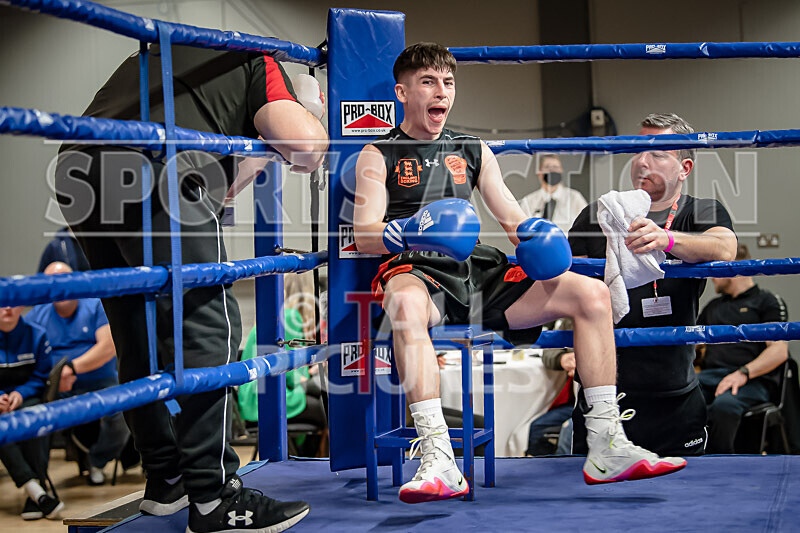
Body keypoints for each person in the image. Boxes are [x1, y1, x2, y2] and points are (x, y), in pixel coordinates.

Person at [353, 43, 686, 505]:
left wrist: (536, 236)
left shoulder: (472, 149)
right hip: (416, 269)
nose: (441, 92)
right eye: (428, 82)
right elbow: (364, 234)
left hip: (474, 270)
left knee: (591, 295)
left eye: (448, 83)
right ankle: (438, 457)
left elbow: (512, 219)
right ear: (402, 92)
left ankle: (607, 444)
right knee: (405, 302)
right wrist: (411, 231)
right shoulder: (377, 154)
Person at [54, 44, 327, 533]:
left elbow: (220, 190)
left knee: (136, 328)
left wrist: (258, 151)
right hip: (155, 162)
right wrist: (310, 119)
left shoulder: (170, 60)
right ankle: (214, 497)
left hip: (79, 167)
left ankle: (168, 478)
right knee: (210, 322)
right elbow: (305, 145)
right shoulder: (257, 60)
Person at [568, 112, 738, 457]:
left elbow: (725, 247)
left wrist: (667, 239)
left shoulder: (700, 211)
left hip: (675, 395)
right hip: (606, 396)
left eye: (658, 153)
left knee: (687, 490)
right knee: (593, 491)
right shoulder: (601, 214)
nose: (642, 161)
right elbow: (564, 283)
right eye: (638, 150)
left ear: (684, 168)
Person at [28, 261, 130, 486]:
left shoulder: (95, 305)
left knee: (123, 413)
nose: (59, 286)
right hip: (56, 385)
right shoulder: (37, 315)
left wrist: (71, 368)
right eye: (51, 281)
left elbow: (108, 347)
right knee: (33, 413)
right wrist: (54, 377)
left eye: (64, 279)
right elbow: (30, 357)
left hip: (100, 381)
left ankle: (97, 461)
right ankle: (37, 481)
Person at [697, 244, 789, 453]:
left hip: (752, 381)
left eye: (715, 269)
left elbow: (779, 351)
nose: (712, 277)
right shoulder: (713, 307)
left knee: (724, 406)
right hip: (711, 377)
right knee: (682, 398)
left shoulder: (767, 302)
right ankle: (685, 457)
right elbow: (694, 345)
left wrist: (743, 373)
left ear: (732, 266)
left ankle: (721, 465)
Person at [0, 306, 63, 520]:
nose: (7, 308)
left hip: (27, 398)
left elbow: (41, 377)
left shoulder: (37, 334)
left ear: (20, 304)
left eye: (12, 302)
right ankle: (36, 491)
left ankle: (35, 491)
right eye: (2, 302)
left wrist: (21, 393)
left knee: (35, 419)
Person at [526, 318, 576, 456]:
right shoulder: (568, 320)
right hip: (576, 402)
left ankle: (565, 468)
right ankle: (537, 467)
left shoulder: (613, 321)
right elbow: (548, 350)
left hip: (605, 401)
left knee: (569, 432)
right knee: (538, 427)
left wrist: (587, 368)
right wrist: (562, 358)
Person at [519, 154, 588, 234]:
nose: (552, 170)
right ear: (539, 173)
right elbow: (521, 230)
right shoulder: (528, 201)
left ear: (561, 171)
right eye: (548, 167)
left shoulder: (575, 198)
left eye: (556, 167)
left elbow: (586, 227)